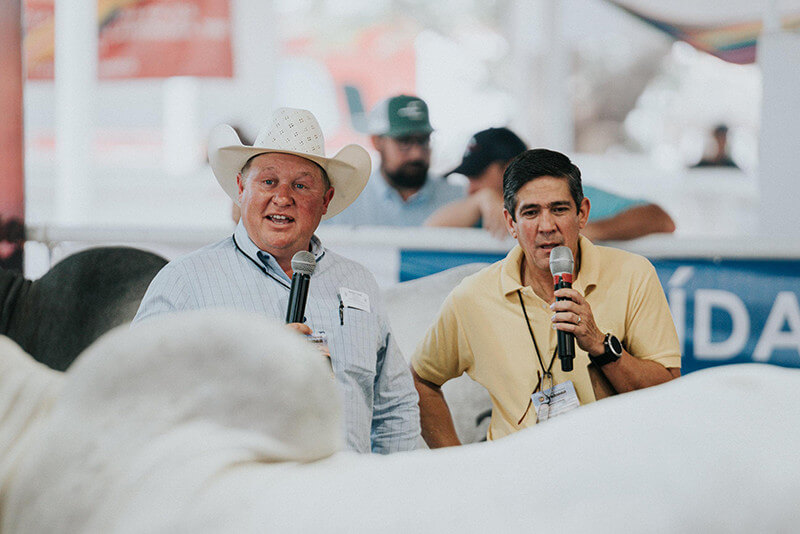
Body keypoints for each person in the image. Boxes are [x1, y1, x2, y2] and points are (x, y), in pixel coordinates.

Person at [134, 108, 420, 454]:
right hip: (241, 501)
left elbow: (395, 409)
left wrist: (384, 494)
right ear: (241, 188)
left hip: (346, 498)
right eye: (268, 181)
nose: (283, 197)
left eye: (301, 185)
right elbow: (138, 395)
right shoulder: (184, 283)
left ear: (326, 201)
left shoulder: (358, 282)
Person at [411, 148, 681, 447]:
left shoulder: (633, 274)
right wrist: (455, 462)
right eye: (530, 212)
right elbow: (420, 378)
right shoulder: (473, 296)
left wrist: (601, 347)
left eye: (559, 209)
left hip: (607, 476)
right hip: (516, 482)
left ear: (583, 213)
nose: (546, 225)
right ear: (510, 223)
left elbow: (667, 395)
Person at [426, 127, 676, 240]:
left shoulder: (566, 197)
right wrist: (481, 201)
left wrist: (579, 232)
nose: (471, 187)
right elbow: (426, 233)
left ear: (510, 167)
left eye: (478, 175)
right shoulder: (484, 208)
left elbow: (661, 219)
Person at [326, 95, 464, 226]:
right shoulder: (343, 204)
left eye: (423, 141)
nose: (416, 154)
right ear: (376, 142)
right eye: (404, 142)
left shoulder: (460, 200)